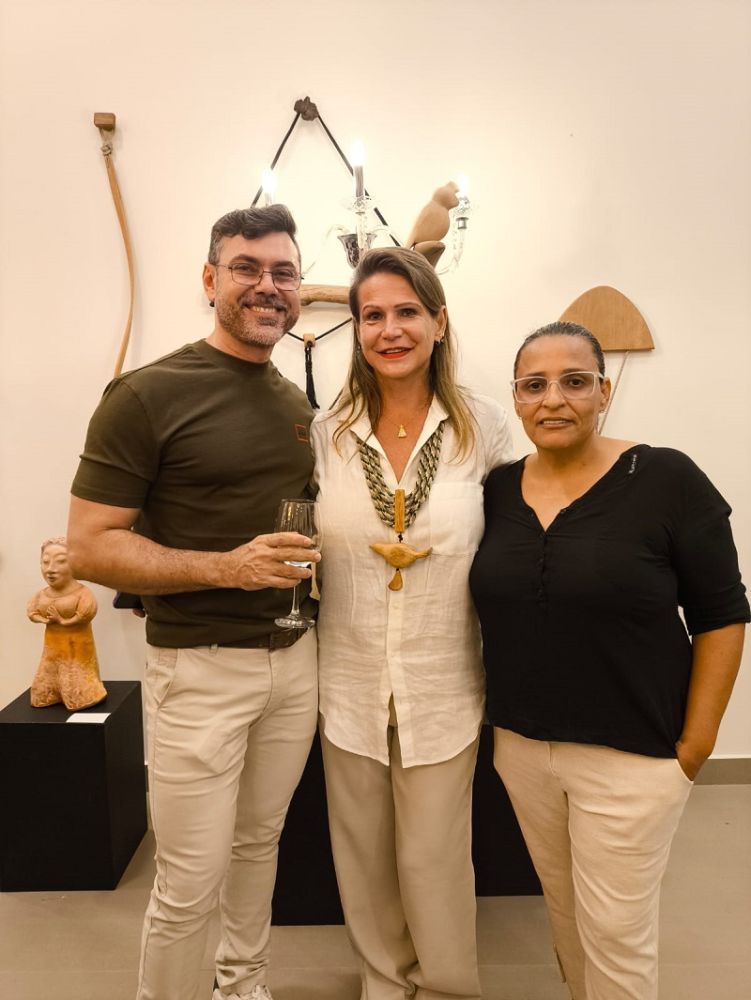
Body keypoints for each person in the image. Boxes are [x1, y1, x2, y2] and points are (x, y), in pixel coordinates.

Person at [66, 205, 321, 1000]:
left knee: (258, 846)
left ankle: (243, 986)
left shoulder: (297, 404)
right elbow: (90, 546)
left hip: (296, 661)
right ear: (210, 280)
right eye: (246, 267)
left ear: (300, 290)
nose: (267, 285)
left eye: (283, 272)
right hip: (199, 670)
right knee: (188, 879)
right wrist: (227, 569)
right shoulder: (146, 394)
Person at [469, 321, 749, 1000]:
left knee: (617, 934)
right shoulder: (497, 490)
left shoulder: (665, 477)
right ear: (515, 397)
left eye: (574, 381)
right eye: (533, 384)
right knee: (565, 914)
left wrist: (696, 744)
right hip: (523, 749)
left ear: (604, 391)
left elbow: (721, 613)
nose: (553, 399)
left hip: (633, 755)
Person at [311, 247, 513, 1000]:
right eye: (372, 316)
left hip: (443, 675)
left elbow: (521, 534)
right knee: (361, 850)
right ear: (357, 330)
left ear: (438, 322)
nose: (389, 330)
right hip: (349, 673)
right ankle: (382, 981)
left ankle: (446, 985)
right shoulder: (328, 431)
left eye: (406, 312)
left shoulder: (483, 428)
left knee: (434, 853)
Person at [28, 536, 107, 710]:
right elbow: (32, 613)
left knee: (77, 686)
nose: (50, 569)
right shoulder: (41, 595)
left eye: (61, 561)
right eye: (45, 562)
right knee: (43, 689)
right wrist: (44, 619)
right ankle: (52, 693)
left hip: (76, 651)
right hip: (52, 652)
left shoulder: (82, 593)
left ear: (74, 564)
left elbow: (86, 614)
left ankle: (82, 695)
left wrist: (62, 620)